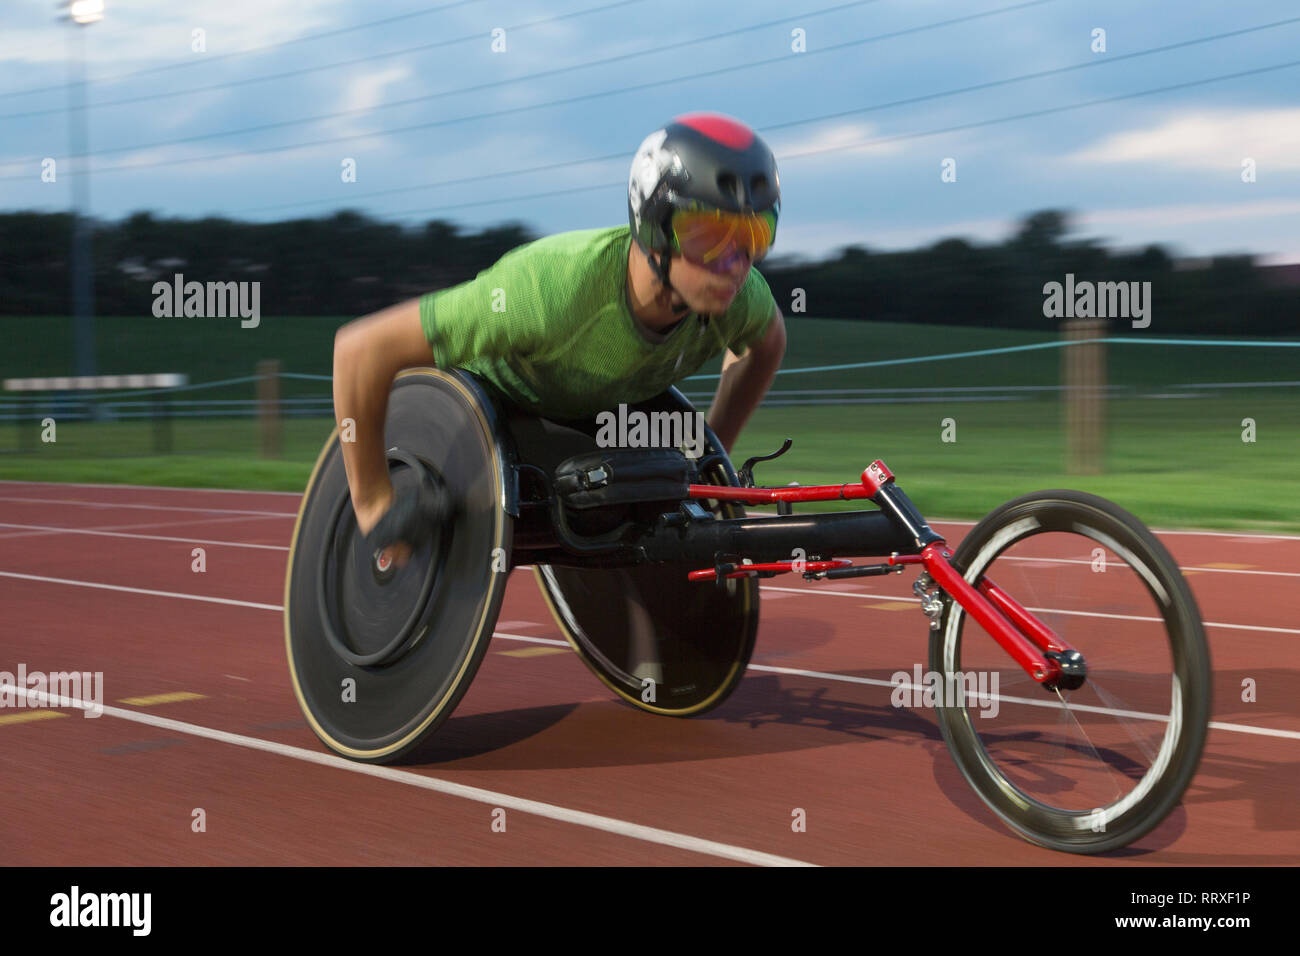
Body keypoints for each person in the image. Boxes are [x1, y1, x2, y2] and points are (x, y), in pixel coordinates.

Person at [332, 112, 787, 566]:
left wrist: (708, 465)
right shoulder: (544, 292)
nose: (733, 263)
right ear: (653, 226)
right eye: (707, 235)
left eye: (752, 235)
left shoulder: (743, 300)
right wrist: (375, 503)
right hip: (487, 417)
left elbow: (765, 349)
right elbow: (361, 349)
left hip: (599, 421)